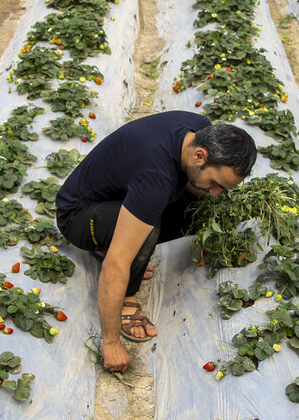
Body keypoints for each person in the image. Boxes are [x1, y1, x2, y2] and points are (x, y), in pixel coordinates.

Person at [55, 111, 257, 372]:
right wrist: (111, 343)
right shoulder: (155, 176)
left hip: (118, 198)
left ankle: (122, 241)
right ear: (200, 157)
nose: (217, 192)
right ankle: (126, 293)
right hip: (78, 216)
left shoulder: (199, 130)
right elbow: (115, 265)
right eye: (216, 183)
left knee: (202, 211)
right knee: (144, 233)